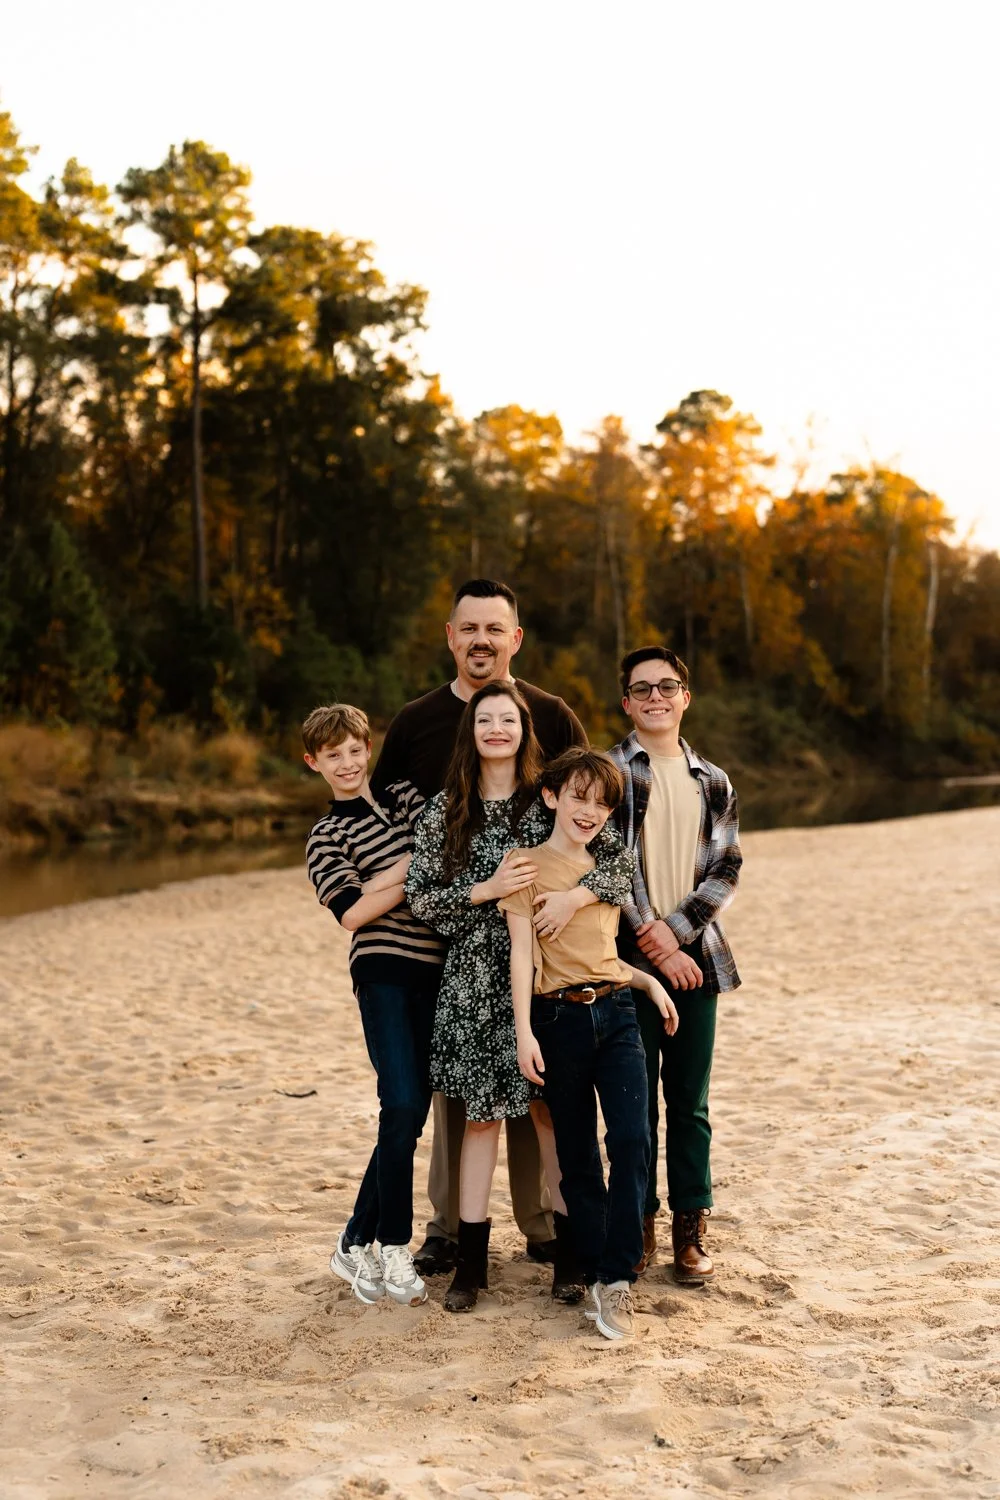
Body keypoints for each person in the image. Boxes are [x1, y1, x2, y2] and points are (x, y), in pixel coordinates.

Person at [372, 578, 599, 1277]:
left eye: (494, 629)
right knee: (464, 1097)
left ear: (515, 638)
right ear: (450, 636)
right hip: (451, 953)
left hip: (546, 950)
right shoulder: (416, 723)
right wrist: (355, 895)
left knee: (542, 1094)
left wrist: (583, 899)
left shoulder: (553, 716)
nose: (481, 640)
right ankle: (448, 1229)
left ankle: (540, 1223)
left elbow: (594, 819)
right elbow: (387, 818)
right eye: (468, 628)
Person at [405, 683, 635, 1312]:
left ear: (523, 728)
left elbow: (618, 865)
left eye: (509, 718)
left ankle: (566, 1260)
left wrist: (577, 897)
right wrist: (487, 888)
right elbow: (422, 897)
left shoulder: (549, 802)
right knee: (480, 1119)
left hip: (546, 983)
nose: (498, 728)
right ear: (471, 731)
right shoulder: (444, 808)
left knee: (551, 1119)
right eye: (486, 719)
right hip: (476, 984)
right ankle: (471, 1269)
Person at [502, 747, 679, 1341]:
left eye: (602, 804)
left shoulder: (611, 865)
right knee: (576, 1156)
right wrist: (524, 1031)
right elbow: (523, 954)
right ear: (551, 797)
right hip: (558, 1021)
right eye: (578, 797)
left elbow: (604, 953)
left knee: (633, 1137)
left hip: (619, 1012)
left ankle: (618, 1275)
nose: (590, 811)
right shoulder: (524, 867)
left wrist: (648, 980)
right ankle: (604, 1274)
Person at [303, 703, 445, 1307]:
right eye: (332, 755)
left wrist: (385, 879)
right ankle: (392, 1244)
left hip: (436, 968)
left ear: (369, 747)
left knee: (409, 1112)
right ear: (313, 763)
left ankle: (354, 1238)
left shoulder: (408, 798)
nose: (347, 763)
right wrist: (411, 869)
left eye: (354, 750)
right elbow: (353, 914)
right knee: (403, 1099)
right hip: (382, 970)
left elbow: (441, 853)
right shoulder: (325, 836)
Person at [609, 647, 743, 1285]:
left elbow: (727, 868)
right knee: (634, 1109)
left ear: (685, 696)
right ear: (627, 702)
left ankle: (691, 1229)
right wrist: (652, 941)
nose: (656, 697)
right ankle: (638, 1226)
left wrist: (678, 934)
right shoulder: (608, 772)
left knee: (689, 1102)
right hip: (623, 964)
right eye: (643, 689)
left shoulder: (712, 780)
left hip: (700, 962)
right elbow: (608, 864)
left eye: (668, 687)